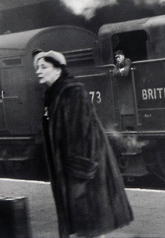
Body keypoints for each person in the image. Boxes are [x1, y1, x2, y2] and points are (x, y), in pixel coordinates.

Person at [33, 50, 133, 238]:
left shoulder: (72, 93)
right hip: (74, 176)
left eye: (44, 67)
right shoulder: (54, 95)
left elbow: (82, 137)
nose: (38, 71)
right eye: (37, 67)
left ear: (58, 70)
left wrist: (79, 179)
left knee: (90, 229)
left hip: (84, 177)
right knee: (87, 231)